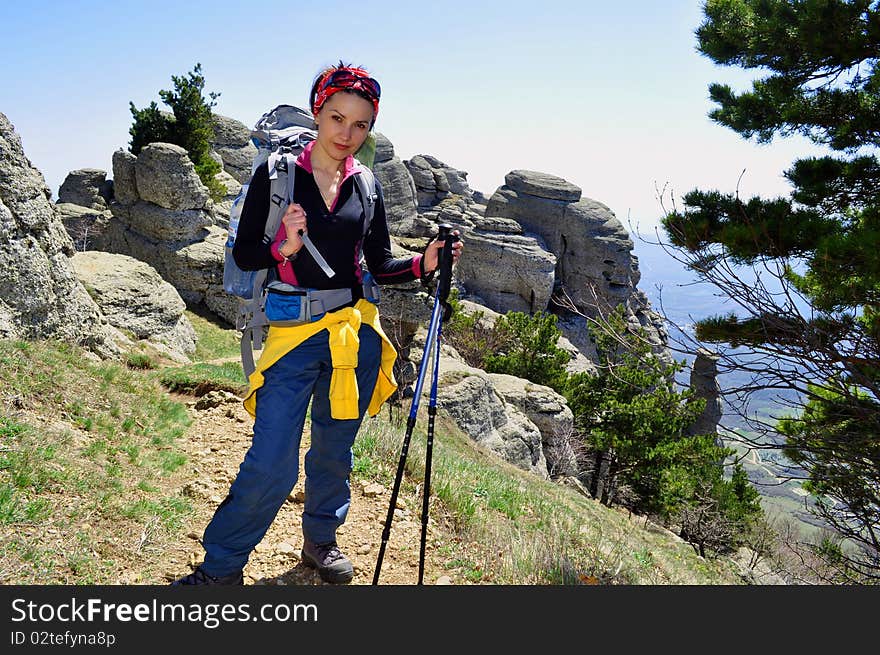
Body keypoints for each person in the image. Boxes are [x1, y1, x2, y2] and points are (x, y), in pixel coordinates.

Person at [172, 62, 462, 585]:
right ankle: (219, 570)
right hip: (295, 334)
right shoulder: (278, 175)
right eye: (336, 118)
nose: (346, 134)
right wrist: (282, 247)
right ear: (317, 112)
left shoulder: (366, 185)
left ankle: (320, 542)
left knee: (334, 449)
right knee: (272, 460)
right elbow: (245, 253)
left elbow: (377, 264)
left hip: (355, 337)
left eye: (360, 125)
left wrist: (424, 263)